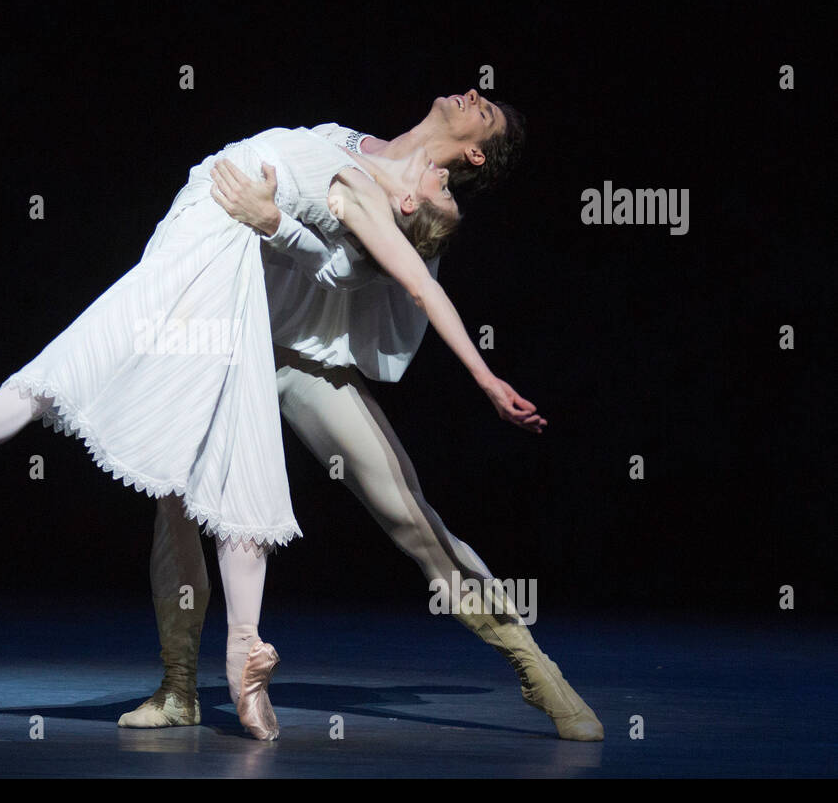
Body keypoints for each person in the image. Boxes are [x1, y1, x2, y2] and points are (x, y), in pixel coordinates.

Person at [0, 118, 540, 740]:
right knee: (86, 401)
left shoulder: (377, 202)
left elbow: (406, 281)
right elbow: (327, 257)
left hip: (216, 259)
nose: (442, 183)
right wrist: (282, 224)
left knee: (181, 440)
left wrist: (483, 375)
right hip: (185, 244)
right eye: (445, 182)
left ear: (413, 209)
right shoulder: (356, 148)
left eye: (444, 188)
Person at [118, 92, 605, 742]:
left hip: (296, 356)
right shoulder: (337, 137)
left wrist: (486, 376)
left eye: (484, 111)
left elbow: (409, 284)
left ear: (475, 152)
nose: (473, 95)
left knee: (407, 512)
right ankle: (178, 686)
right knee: (174, 502)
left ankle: (533, 665)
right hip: (222, 340)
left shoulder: (424, 206)